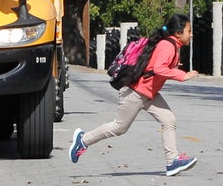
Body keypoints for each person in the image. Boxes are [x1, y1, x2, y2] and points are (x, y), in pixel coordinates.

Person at [69, 13, 200, 177]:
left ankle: (172, 161)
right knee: (119, 127)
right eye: (189, 30)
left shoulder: (172, 45)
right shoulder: (168, 46)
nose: (191, 34)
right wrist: (182, 75)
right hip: (136, 93)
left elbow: (156, 67)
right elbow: (159, 68)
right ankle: (83, 140)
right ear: (178, 33)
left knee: (169, 119)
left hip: (148, 93)